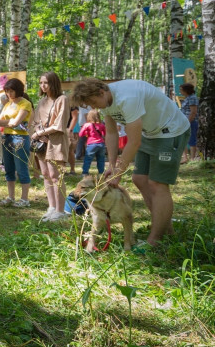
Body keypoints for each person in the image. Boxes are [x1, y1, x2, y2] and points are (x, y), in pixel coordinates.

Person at [70, 78, 191, 249]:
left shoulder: (128, 97)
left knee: (157, 184)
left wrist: (119, 171)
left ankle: (154, 241)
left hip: (170, 131)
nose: (92, 107)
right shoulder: (107, 100)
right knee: (139, 179)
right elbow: (111, 133)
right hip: (150, 134)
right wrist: (112, 165)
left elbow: (133, 142)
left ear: (101, 92)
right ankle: (166, 229)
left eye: (92, 102)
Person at [31, 71, 70, 222]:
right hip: (42, 141)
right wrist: (39, 134)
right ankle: (51, 207)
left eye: (46, 82)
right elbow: (36, 122)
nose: (43, 85)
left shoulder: (62, 99)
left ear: (53, 83)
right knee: (46, 175)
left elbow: (59, 124)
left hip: (56, 141)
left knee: (56, 176)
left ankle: (60, 211)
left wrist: (43, 133)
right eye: (41, 83)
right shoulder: (41, 101)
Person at [0, 78, 33, 207]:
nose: (9, 94)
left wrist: (11, 122)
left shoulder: (25, 104)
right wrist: (11, 122)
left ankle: (24, 199)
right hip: (6, 137)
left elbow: (17, 122)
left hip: (20, 138)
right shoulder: (7, 105)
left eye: (11, 91)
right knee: (9, 168)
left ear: (18, 90)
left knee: (21, 168)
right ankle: (11, 196)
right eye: (7, 91)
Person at [78, 109, 106, 175]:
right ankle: (101, 173)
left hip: (91, 144)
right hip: (101, 144)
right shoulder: (102, 125)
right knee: (101, 159)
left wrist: (86, 132)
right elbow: (105, 134)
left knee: (88, 159)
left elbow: (80, 134)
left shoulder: (87, 125)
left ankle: (85, 173)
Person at [179, 82, 199, 163]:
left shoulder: (192, 98)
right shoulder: (187, 98)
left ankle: (192, 158)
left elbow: (193, 112)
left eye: (181, 90)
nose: (180, 91)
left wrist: (188, 122)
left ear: (186, 90)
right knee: (182, 139)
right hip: (184, 122)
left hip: (191, 122)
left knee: (192, 140)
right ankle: (185, 158)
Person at [66, 106, 79, 174]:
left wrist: (70, 130)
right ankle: (63, 169)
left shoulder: (72, 104)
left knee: (70, 151)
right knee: (61, 151)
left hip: (68, 130)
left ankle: (72, 170)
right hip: (59, 129)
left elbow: (75, 117)